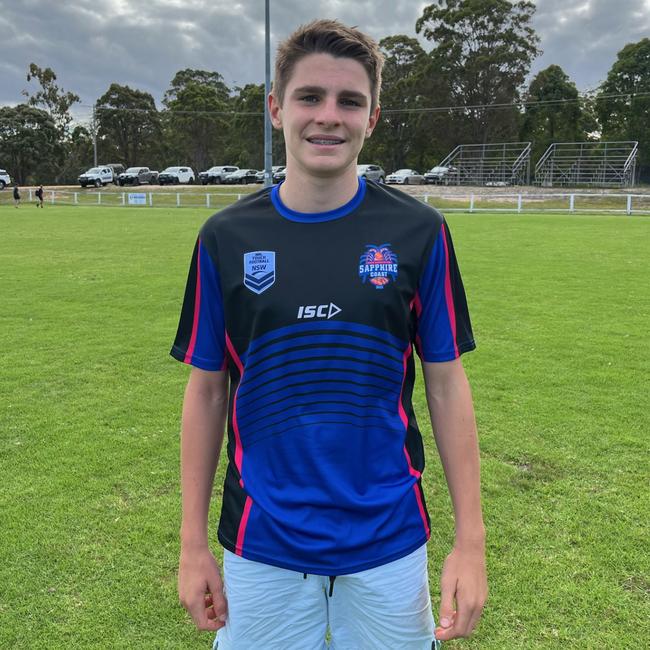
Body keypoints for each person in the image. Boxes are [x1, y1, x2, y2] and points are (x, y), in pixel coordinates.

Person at [171, 19, 487, 649]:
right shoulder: (225, 240)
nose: (328, 117)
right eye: (310, 97)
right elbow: (207, 392)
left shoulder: (420, 234)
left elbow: (446, 384)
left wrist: (471, 543)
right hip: (262, 544)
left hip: (389, 542)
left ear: (372, 117)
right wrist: (191, 543)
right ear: (275, 108)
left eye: (350, 101)